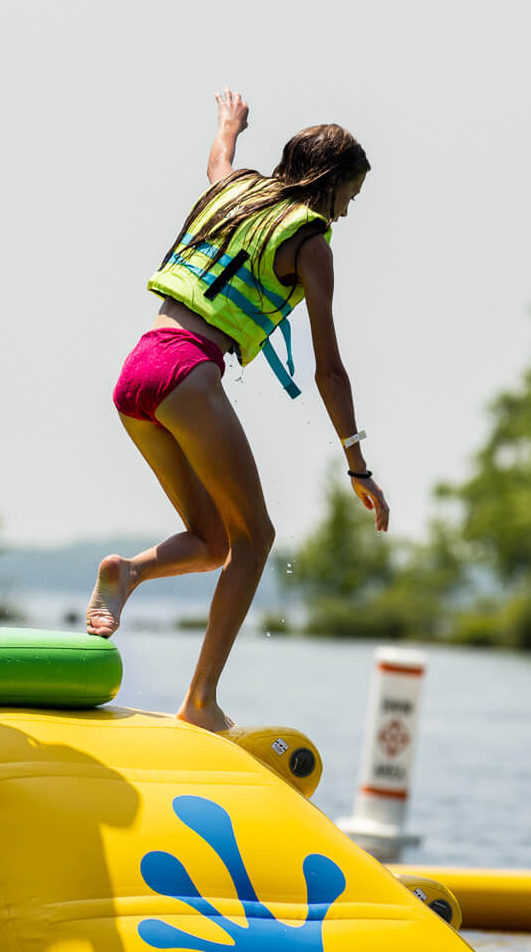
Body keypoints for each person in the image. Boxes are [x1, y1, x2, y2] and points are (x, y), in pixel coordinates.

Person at [86, 88, 388, 731]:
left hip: (138, 371)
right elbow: (328, 368)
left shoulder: (237, 191)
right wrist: (357, 464)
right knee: (257, 540)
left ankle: (127, 571)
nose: (348, 212)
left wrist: (229, 126)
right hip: (187, 373)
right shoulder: (312, 242)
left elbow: (216, 163)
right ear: (329, 185)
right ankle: (200, 702)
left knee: (215, 540)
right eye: (350, 197)